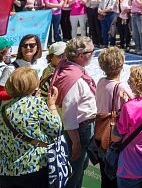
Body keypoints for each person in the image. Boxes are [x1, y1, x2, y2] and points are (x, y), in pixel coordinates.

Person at [0, 67, 62, 187]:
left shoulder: (3, 109)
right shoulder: (36, 103)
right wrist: (51, 105)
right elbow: (57, 129)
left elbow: (0, 136)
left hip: (7, 171)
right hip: (34, 168)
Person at [51, 36, 98, 188]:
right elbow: (69, 115)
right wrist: (76, 142)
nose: (94, 54)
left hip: (80, 128)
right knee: (74, 172)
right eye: (92, 51)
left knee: (79, 168)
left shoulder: (68, 68)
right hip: (79, 130)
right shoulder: (74, 78)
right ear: (80, 55)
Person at [95, 47, 131, 188]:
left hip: (101, 133)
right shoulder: (121, 87)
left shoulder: (100, 81)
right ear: (121, 65)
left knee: (105, 178)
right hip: (114, 137)